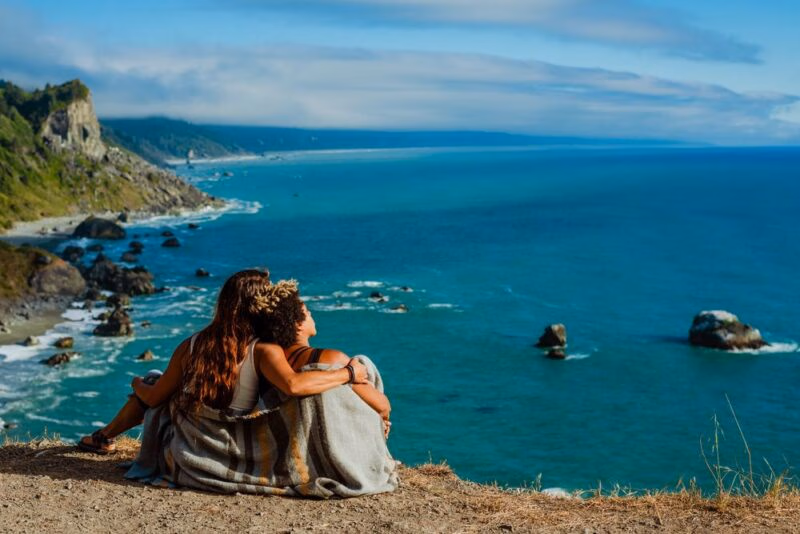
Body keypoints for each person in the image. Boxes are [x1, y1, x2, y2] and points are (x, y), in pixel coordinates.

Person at [78, 269, 369, 454]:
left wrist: (137, 383)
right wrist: (349, 372)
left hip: (192, 439)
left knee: (154, 379)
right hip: (232, 441)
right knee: (157, 382)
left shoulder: (192, 344)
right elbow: (293, 384)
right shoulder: (264, 349)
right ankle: (101, 437)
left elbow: (154, 398)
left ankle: (102, 436)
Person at [254, 278, 392, 438]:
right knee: (363, 361)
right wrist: (380, 418)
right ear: (297, 324)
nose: (311, 314)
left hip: (286, 436)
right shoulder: (331, 358)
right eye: (306, 312)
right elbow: (382, 406)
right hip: (328, 439)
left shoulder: (271, 359)